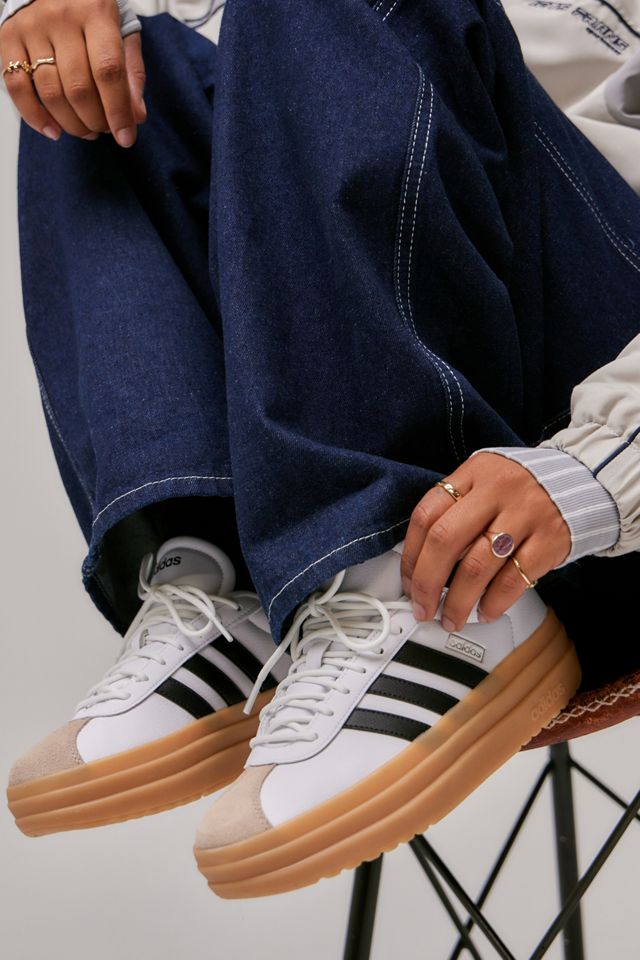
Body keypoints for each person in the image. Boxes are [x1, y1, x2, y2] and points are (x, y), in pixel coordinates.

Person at [2, 0, 639, 896]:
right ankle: (231, 569)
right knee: (96, 59)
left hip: (592, 493)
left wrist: (601, 464)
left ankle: (399, 585)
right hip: (434, 382)